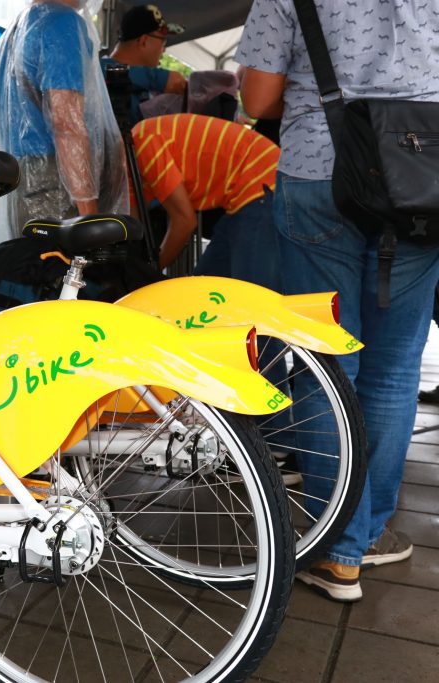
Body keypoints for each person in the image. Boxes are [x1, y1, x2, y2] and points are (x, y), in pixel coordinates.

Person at [237, 0, 439, 602]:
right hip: (424, 173)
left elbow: (259, 101)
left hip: (319, 174)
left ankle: (334, 546)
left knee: (329, 365)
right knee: (396, 370)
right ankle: (366, 537)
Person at [0, 0, 128, 266]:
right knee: (65, 286)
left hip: (22, 182)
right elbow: (66, 121)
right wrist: (88, 216)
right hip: (54, 183)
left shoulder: (15, 30)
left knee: (35, 283)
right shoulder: (62, 23)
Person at [130, 113, 280, 282]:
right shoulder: (131, 165)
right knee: (204, 290)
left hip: (261, 183)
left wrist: (148, 275)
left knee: (251, 295)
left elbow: (184, 222)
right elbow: (130, 227)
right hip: (245, 194)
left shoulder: (142, 143)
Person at [100, 4, 186, 126]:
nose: (164, 50)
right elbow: (106, 74)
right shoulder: (97, 71)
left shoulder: (143, 85)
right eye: (163, 41)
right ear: (144, 41)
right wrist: (159, 78)